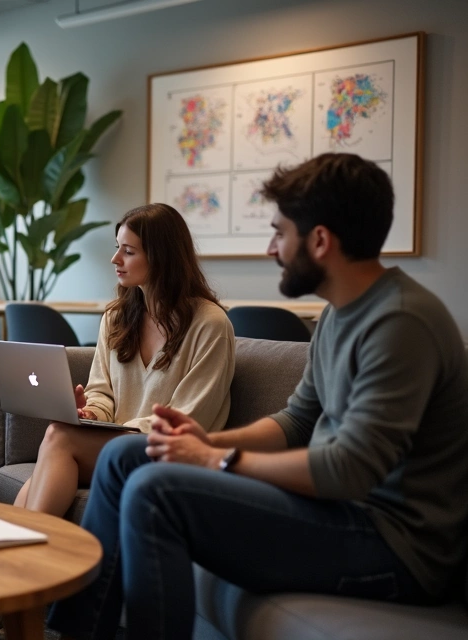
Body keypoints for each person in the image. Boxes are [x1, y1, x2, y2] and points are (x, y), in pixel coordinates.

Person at [48, 153, 468, 639]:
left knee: (155, 489)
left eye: (279, 233)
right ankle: (75, 633)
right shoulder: (339, 313)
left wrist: (214, 460)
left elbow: (347, 469)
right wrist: (204, 439)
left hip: (392, 544)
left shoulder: (400, 323)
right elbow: (297, 420)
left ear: (320, 241)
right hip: (341, 514)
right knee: (125, 454)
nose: (272, 248)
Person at [0, 203, 235, 640]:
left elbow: (191, 419)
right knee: (58, 439)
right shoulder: (118, 317)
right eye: (117, 249)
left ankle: (7, 594)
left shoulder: (209, 325)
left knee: (58, 439)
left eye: (128, 251)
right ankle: (8, 598)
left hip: (169, 454)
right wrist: (91, 415)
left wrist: (105, 431)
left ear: (163, 256)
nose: (115, 260)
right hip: (115, 446)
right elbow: (101, 392)